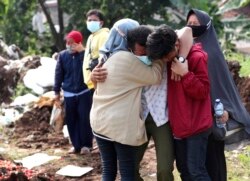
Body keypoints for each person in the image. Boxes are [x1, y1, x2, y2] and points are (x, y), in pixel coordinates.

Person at [91, 25, 193, 181]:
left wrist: (180, 57)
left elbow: (187, 31)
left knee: (164, 170)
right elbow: (105, 86)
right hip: (137, 118)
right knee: (129, 169)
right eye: (138, 51)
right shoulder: (127, 59)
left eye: (145, 50)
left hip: (161, 118)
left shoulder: (163, 48)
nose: (142, 54)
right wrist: (93, 77)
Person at [90, 19, 164, 181]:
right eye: (142, 43)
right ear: (128, 39)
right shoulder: (127, 59)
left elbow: (98, 87)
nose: (145, 48)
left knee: (108, 170)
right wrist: (158, 56)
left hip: (99, 123)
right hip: (119, 127)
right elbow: (155, 77)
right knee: (127, 172)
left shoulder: (105, 57)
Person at [186, 9, 250, 181]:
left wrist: (225, 109)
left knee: (213, 162)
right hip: (197, 116)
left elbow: (222, 86)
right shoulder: (189, 49)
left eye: (195, 24)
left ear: (206, 27)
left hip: (212, 116)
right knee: (202, 163)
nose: (191, 27)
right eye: (189, 24)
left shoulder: (211, 53)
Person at [147, 24, 213, 181]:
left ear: (176, 45)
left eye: (166, 57)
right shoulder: (169, 55)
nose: (164, 61)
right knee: (184, 170)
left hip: (197, 126)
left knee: (196, 172)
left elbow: (203, 92)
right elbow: (185, 32)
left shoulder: (197, 57)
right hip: (179, 127)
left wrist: (185, 73)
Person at [54, 30, 93, 154]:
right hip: (69, 93)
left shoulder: (86, 54)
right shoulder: (63, 55)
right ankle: (76, 145)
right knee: (71, 119)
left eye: (72, 43)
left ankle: (86, 145)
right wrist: (56, 92)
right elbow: (58, 74)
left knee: (84, 119)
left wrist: (82, 53)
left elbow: (90, 67)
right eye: (67, 42)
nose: (69, 45)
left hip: (84, 92)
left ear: (78, 43)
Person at [83, 9, 109, 92]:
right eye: (89, 20)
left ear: (101, 23)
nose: (91, 22)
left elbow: (105, 58)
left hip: (99, 82)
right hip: (91, 82)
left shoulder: (104, 35)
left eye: (94, 20)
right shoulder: (91, 37)